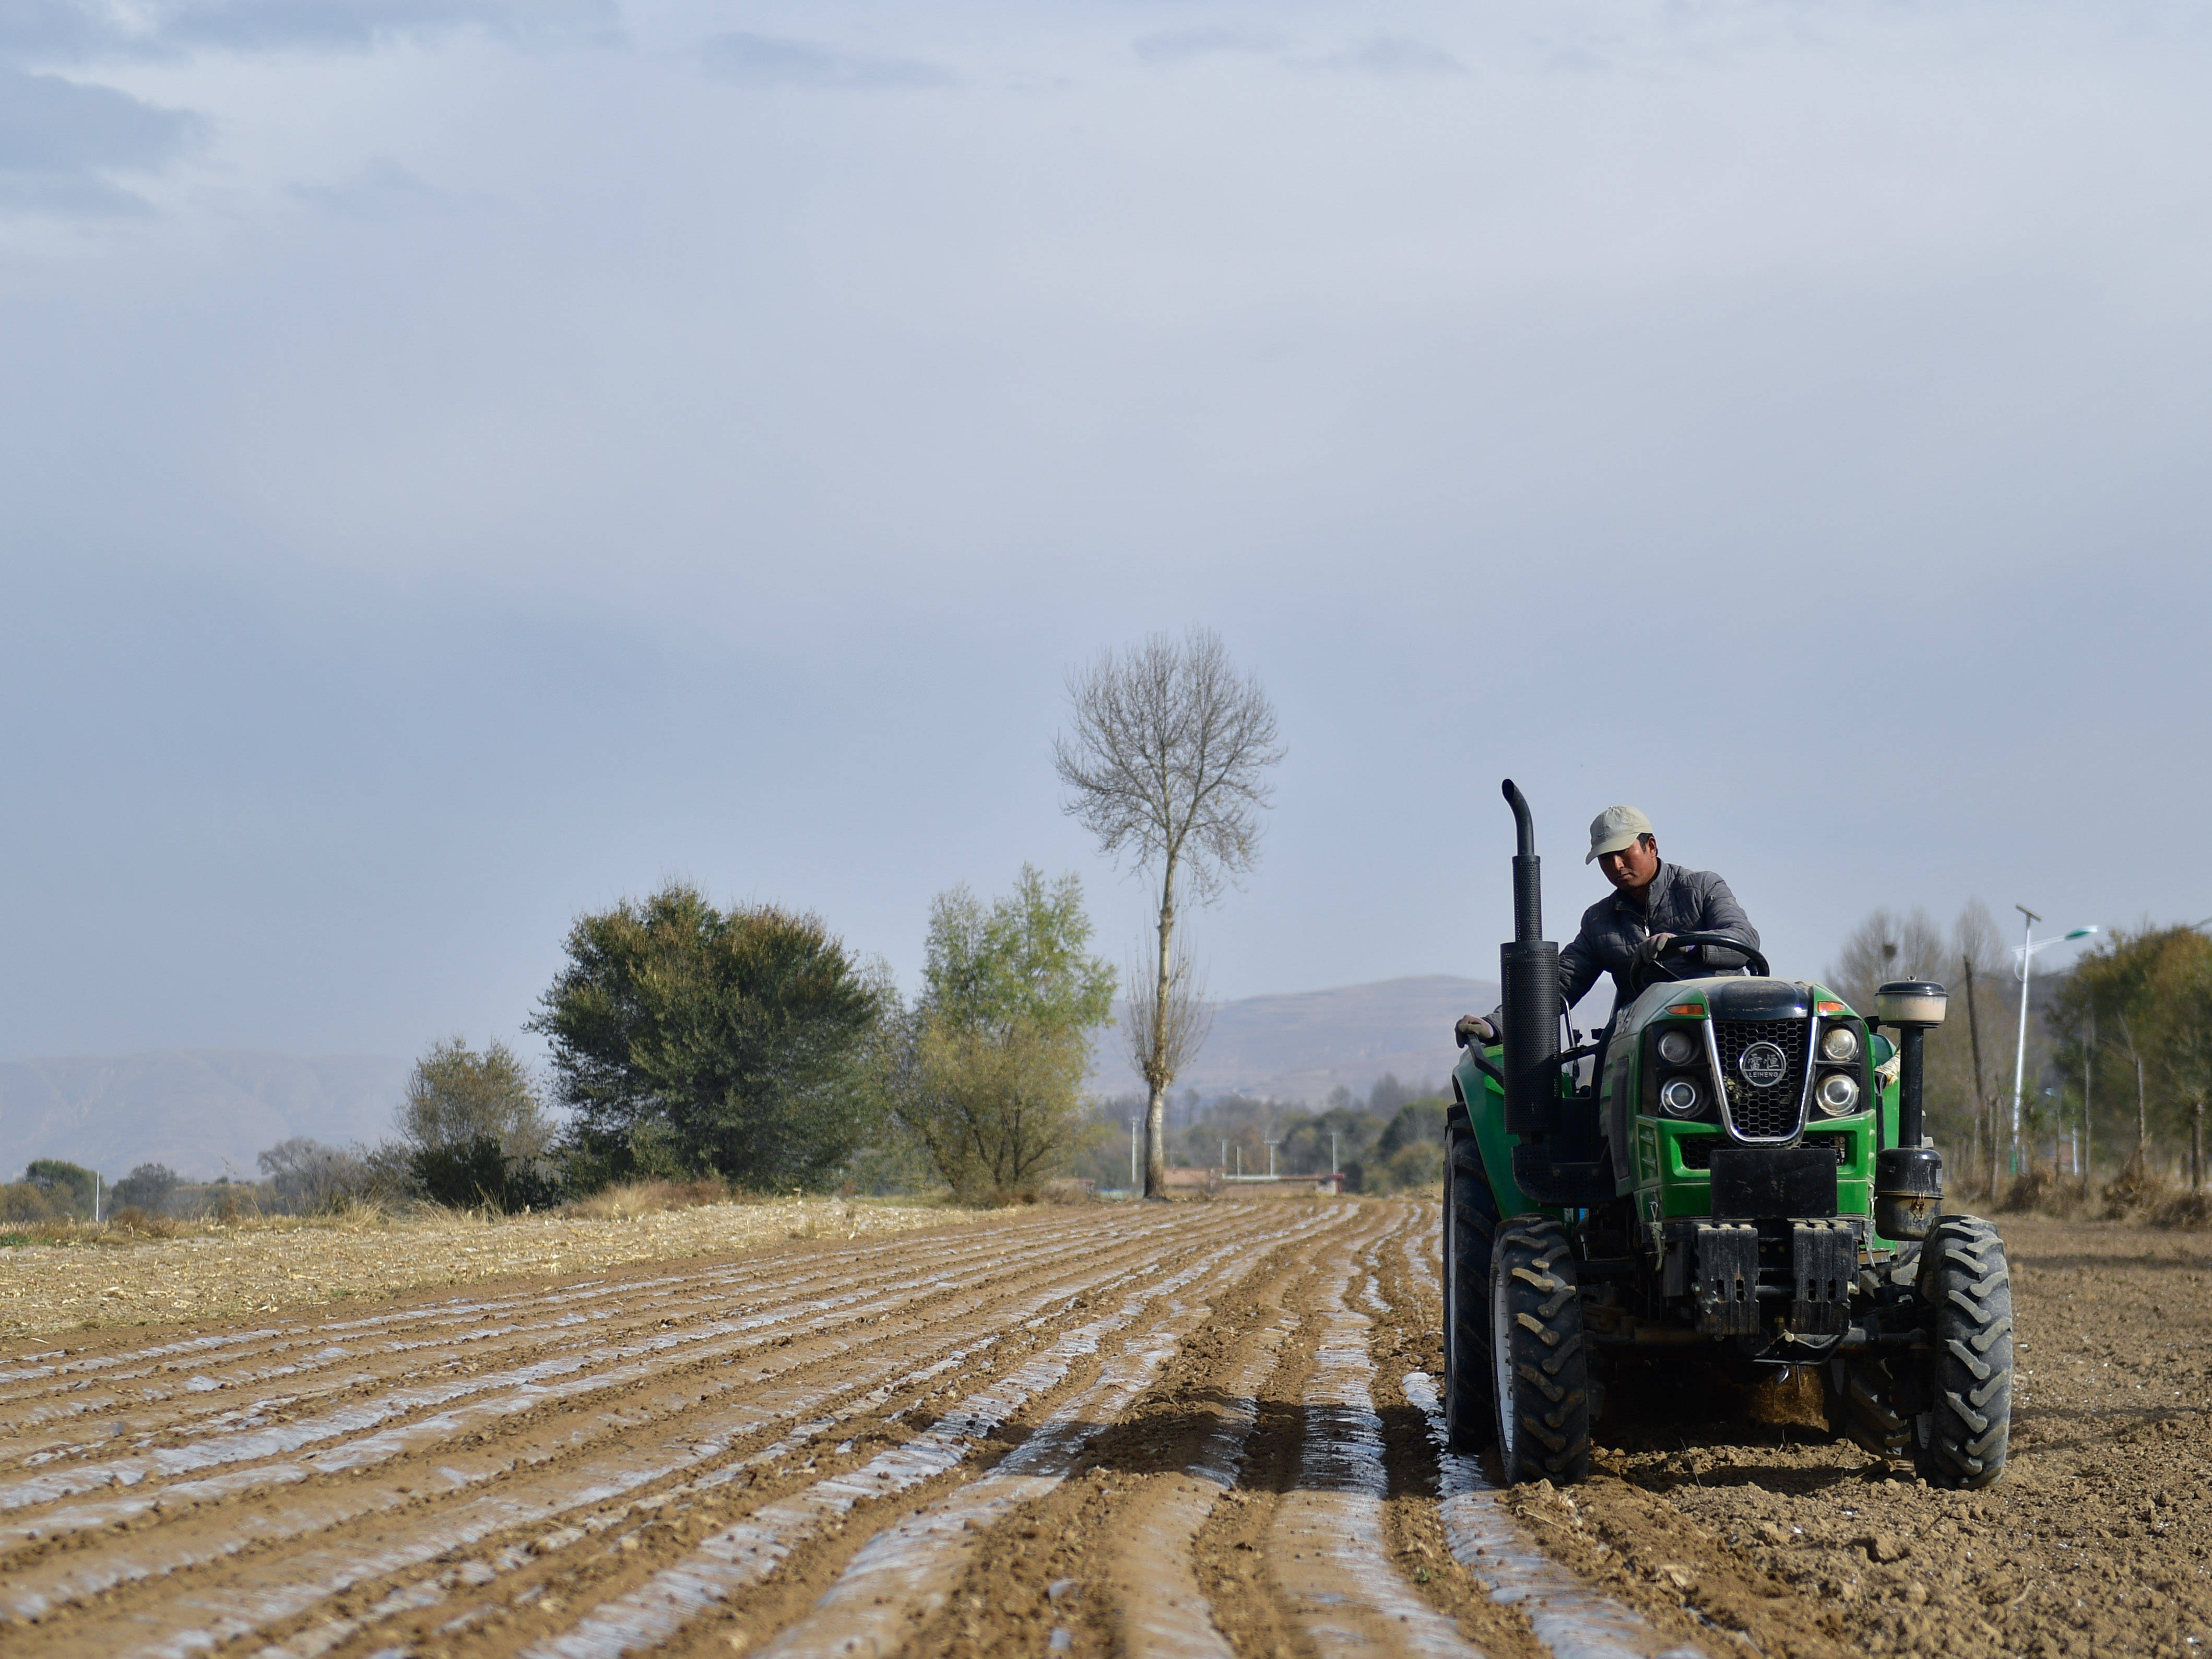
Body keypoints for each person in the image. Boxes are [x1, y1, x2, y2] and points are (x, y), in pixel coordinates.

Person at [1456, 804, 1760, 1048]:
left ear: (1650, 846)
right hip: (1648, 1040)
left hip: (1722, 1028)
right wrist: (1495, 1024)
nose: (1615, 866)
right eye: (1605, 858)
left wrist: (1688, 944)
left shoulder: (1702, 887)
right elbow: (1557, 986)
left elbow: (1743, 940)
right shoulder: (1599, 922)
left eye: (1623, 853)